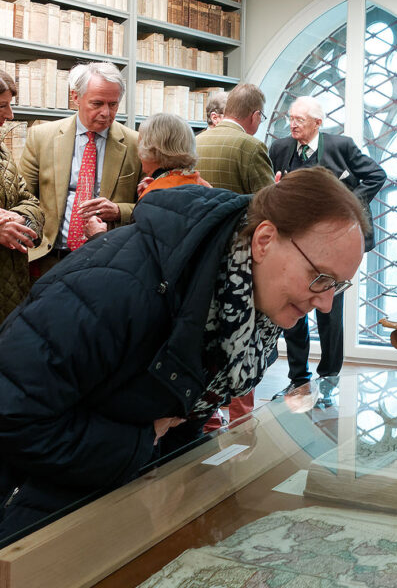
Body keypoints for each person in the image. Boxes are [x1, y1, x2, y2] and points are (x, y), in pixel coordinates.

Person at [0, 167, 367, 542]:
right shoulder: (121, 285)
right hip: (29, 525)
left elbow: (179, 417)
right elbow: (12, 414)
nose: (325, 303)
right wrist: (141, 441)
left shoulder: (240, 310)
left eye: (337, 286)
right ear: (264, 240)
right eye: (319, 277)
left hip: (103, 508)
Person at [269, 96, 386, 399]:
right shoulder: (280, 148)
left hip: (334, 246)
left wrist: (347, 205)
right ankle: (298, 378)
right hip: (295, 245)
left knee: (329, 313)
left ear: (317, 123)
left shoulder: (340, 146)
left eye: (300, 120)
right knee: (294, 309)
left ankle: (329, 379)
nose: (293, 124)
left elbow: (376, 175)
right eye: (290, 118)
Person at [19, 61, 141, 278]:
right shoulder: (41, 137)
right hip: (50, 259)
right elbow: (24, 197)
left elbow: (149, 206)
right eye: (97, 103)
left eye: (113, 104)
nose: (106, 112)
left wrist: (118, 210)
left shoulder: (136, 143)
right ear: (75, 97)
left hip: (108, 261)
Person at [0, 70, 44, 323]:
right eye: (1, 106)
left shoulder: (3, 152)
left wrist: (18, 219)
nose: (10, 115)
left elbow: (29, 200)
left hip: (12, 284)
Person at [195, 82, 274, 195]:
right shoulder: (253, 147)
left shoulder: (195, 142)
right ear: (256, 115)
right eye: (261, 117)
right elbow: (267, 199)